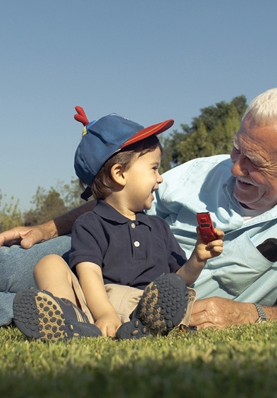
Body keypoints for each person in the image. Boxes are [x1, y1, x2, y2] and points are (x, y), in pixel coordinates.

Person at [0, 86, 277, 330]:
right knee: (15, 262)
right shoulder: (204, 171)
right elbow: (119, 199)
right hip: (113, 250)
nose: (235, 166)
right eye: (237, 148)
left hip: (162, 297)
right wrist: (47, 229)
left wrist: (251, 315)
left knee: (20, 303)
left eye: (254, 162)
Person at [12, 109, 224, 341]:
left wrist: (198, 258)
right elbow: (89, 273)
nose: (160, 178)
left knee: (166, 293)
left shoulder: (159, 227)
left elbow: (178, 280)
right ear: (119, 173)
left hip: (145, 305)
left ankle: (142, 325)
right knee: (48, 263)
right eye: (154, 168)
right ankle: (69, 321)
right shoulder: (90, 223)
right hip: (98, 306)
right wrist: (104, 314)